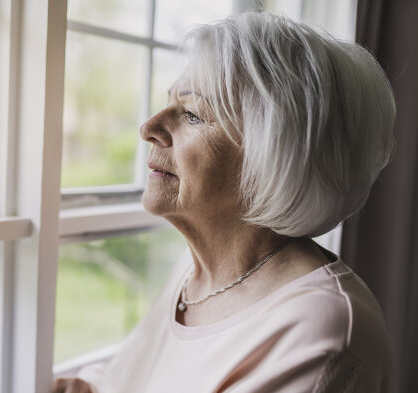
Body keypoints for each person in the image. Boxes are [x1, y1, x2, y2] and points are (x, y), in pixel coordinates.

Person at [52, 11, 396, 393]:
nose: (148, 127)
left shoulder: (319, 332)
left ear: (273, 159)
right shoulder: (200, 271)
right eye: (169, 103)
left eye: (192, 114)